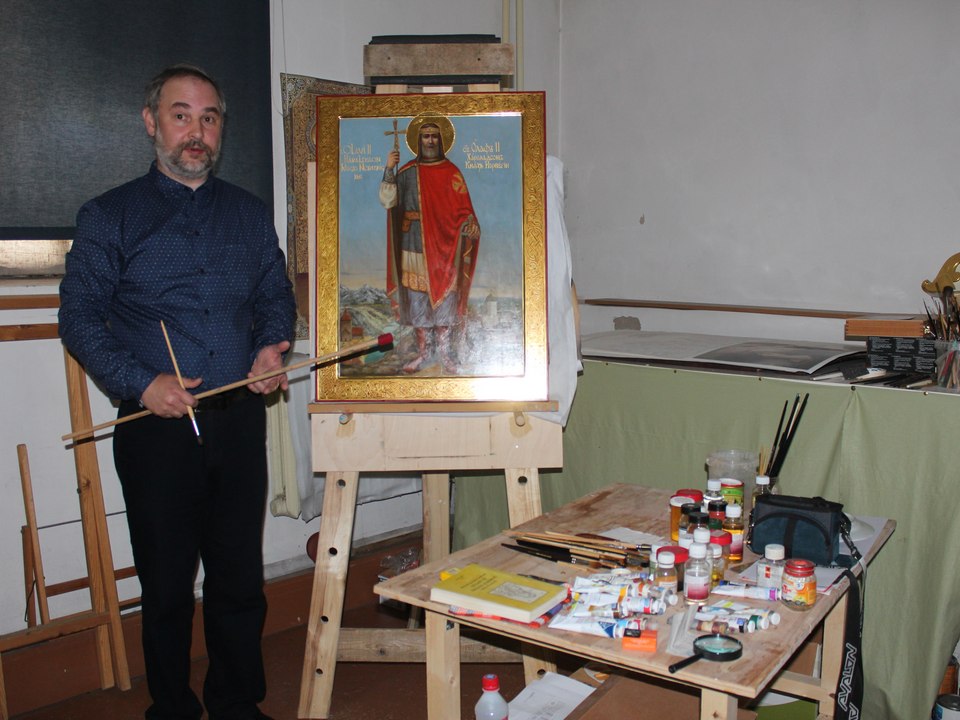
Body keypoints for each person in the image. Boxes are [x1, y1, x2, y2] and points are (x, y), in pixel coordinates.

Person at [58, 64, 295, 720]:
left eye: (209, 117)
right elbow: (79, 318)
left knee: (238, 577)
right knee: (165, 586)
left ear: (220, 129)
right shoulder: (109, 216)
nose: (196, 131)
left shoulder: (249, 214)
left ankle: (236, 702)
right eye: (181, 115)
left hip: (239, 418)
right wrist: (142, 383)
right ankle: (171, 708)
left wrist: (270, 346)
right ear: (152, 122)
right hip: (155, 428)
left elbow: (275, 294)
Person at [379, 114, 481, 373]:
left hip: (444, 247)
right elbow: (388, 201)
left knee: (445, 301)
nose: (430, 140)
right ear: (419, 140)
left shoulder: (452, 172)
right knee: (417, 300)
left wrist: (469, 223)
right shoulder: (406, 172)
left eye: (434, 136)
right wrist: (389, 169)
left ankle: (445, 355)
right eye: (425, 136)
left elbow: (464, 209)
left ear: (441, 140)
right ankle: (424, 354)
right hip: (413, 244)